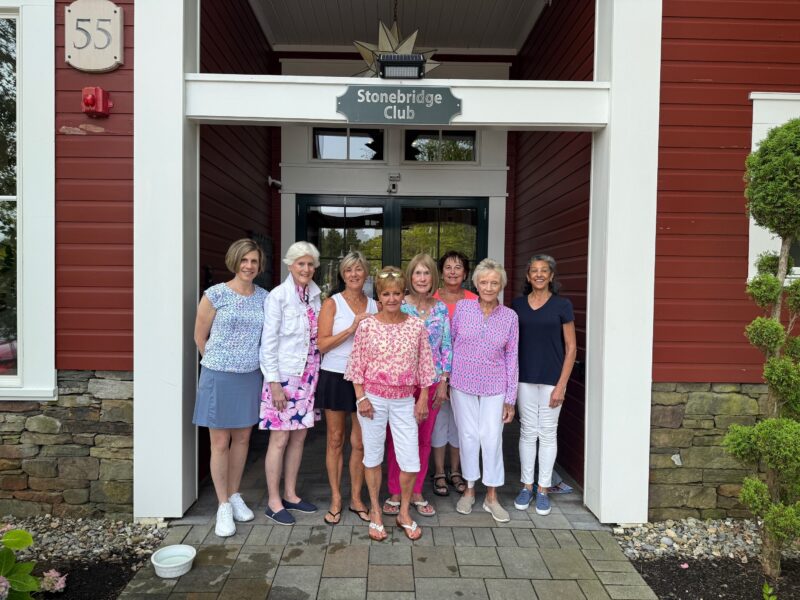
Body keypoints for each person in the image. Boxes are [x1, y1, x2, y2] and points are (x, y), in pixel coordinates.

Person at [344, 266, 436, 541]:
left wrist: (423, 398)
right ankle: (375, 510)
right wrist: (361, 397)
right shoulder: (367, 325)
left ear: (403, 294)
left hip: (404, 400)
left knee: (410, 459)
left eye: (397, 293)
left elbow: (425, 366)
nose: (392, 298)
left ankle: (404, 512)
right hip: (372, 400)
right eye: (386, 294)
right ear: (379, 297)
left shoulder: (416, 326)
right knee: (372, 456)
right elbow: (356, 365)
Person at [192, 238, 268, 537]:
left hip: (250, 375)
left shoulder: (264, 297)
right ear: (235, 261)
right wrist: (219, 363)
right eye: (244, 260)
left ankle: (235, 495)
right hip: (219, 376)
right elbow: (200, 337)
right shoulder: (215, 295)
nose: (249, 266)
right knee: (220, 442)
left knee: (243, 439)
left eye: (254, 261)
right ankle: (222, 504)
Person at [449, 258, 518, 523]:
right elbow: (450, 343)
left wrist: (510, 398)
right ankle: (469, 489)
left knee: (491, 438)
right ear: (476, 284)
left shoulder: (510, 317)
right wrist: (445, 379)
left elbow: (512, 357)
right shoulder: (463, 308)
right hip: (462, 382)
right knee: (468, 436)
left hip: (495, 385)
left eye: (494, 283)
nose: (489, 287)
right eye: (484, 282)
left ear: (501, 285)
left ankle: (491, 496)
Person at [383, 254, 452, 519]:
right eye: (417, 273)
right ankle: (395, 491)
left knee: (424, 439)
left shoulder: (441, 309)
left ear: (433, 277)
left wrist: (443, 382)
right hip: (401, 385)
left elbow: (446, 347)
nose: (422, 278)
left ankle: (416, 491)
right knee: (397, 438)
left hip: (432, 384)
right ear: (410, 277)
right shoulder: (399, 305)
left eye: (426, 273)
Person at [259, 241, 322, 525]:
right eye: (301, 264)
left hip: (308, 376)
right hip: (284, 377)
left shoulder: (315, 296)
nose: (306, 269)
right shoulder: (278, 296)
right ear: (290, 265)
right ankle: (273, 501)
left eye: (310, 264)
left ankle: (291, 494)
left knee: (299, 437)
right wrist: (274, 383)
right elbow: (268, 342)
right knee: (280, 438)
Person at [511, 254, 577, 516]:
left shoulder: (562, 305)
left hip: (552, 380)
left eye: (544, 271)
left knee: (548, 433)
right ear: (528, 276)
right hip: (524, 378)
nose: (539, 274)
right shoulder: (517, 305)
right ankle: (526, 486)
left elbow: (571, 348)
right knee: (528, 432)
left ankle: (543, 489)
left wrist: (562, 385)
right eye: (534, 271)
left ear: (551, 276)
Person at [317, 252, 378, 525]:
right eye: (349, 270)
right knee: (335, 439)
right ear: (343, 275)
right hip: (335, 375)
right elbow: (322, 344)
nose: (354, 274)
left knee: (361, 442)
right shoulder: (332, 303)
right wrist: (352, 328)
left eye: (359, 269)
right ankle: (335, 498)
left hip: (366, 380)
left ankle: (355, 498)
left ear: (366, 274)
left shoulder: (376, 305)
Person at [430, 251, 477, 496]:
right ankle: (439, 471)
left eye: (458, 267)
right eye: (448, 267)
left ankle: (456, 471)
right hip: (437, 371)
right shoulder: (432, 299)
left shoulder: (475, 300)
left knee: (461, 424)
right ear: (441, 272)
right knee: (439, 421)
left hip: (466, 372)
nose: (453, 272)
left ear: (466, 273)